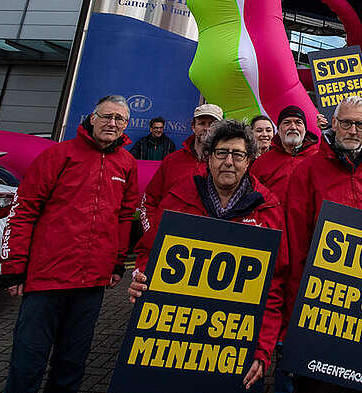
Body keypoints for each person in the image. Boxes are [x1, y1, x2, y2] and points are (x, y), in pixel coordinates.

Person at [128, 119, 284, 391]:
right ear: (209, 157)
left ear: (249, 161)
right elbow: (148, 251)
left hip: (236, 345)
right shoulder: (179, 198)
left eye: (238, 155)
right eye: (221, 153)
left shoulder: (267, 209)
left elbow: (274, 284)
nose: (229, 162)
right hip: (176, 338)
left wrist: (262, 349)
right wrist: (142, 275)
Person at [0, 95, 139, 393]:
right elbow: (23, 210)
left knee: (72, 363)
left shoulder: (127, 163)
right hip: (46, 280)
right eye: (106, 116)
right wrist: (14, 267)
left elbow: (125, 217)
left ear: (126, 125)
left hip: (91, 283)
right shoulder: (58, 155)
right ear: (92, 117)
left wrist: (117, 261)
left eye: (120, 119)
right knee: (28, 362)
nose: (112, 123)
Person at [283, 96, 362, 390]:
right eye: (346, 123)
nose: (353, 130)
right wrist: (297, 311)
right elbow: (296, 245)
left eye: (360, 124)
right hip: (318, 306)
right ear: (333, 123)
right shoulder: (306, 171)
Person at [140, 103, 223, 230]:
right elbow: (149, 200)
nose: (207, 128)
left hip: (202, 239)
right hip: (165, 237)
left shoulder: (225, 165)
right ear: (193, 127)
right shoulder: (172, 160)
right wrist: (153, 231)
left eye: (212, 124)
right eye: (202, 123)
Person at [250, 105, 319, 204]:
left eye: (298, 122)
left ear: (305, 129)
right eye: (287, 123)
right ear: (278, 130)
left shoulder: (318, 159)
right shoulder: (262, 162)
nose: (293, 127)